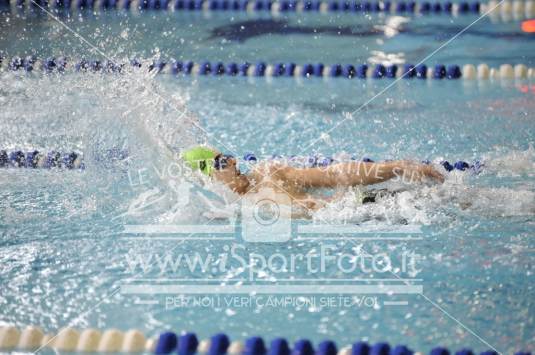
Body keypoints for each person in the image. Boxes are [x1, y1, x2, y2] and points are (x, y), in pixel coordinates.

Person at [182, 146, 444, 217]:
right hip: (357, 217)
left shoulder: (268, 172)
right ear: (207, 178)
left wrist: (393, 168)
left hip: (360, 207)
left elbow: (334, 174)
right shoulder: (233, 211)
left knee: (451, 197)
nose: (233, 162)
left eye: (227, 157)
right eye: (220, 162)